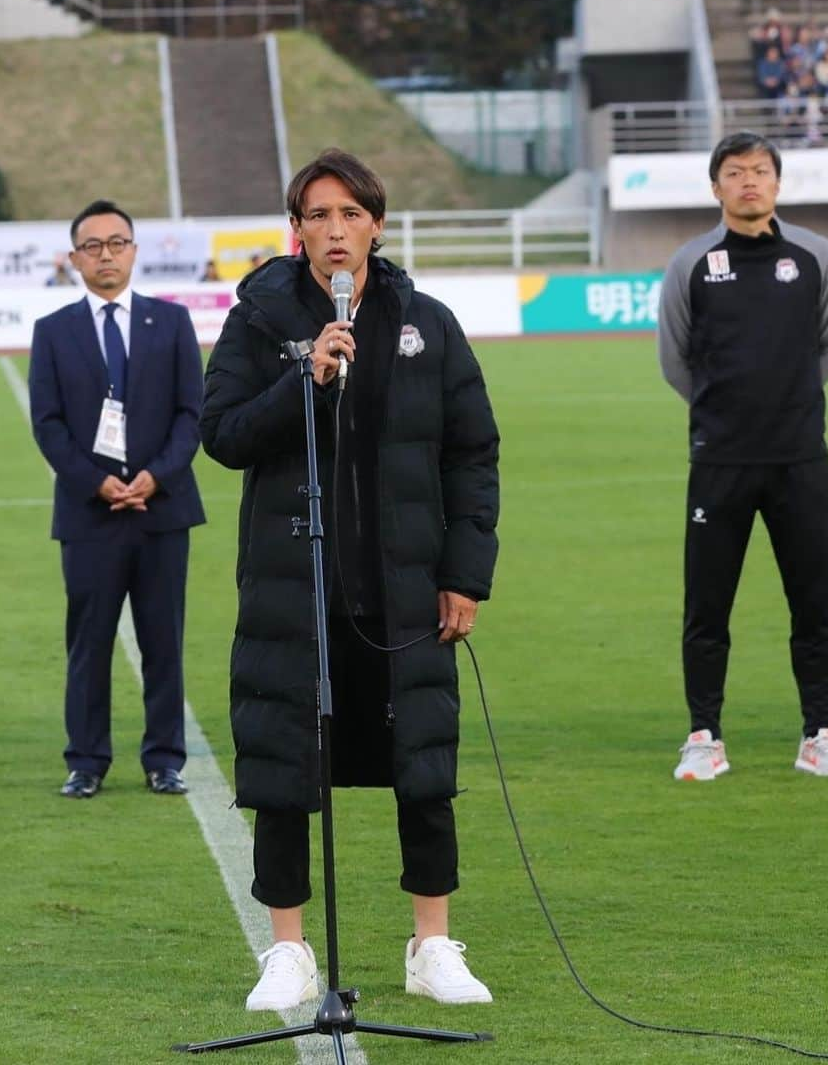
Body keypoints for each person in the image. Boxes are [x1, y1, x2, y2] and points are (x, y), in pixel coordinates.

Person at [201, 149, 500, 1010]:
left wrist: (464, 575)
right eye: (318, 216)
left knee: (424, 765)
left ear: (376, 222)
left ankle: (433, 942)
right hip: (296, 584)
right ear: (295, 231)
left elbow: (472, 454)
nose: (335, 230)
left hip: (406, 586)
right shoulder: (259, 320)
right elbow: (221, 435)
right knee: (284, 762)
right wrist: (306, 376)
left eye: (350, 214)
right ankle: (288, 951)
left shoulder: (428, 324)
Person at [658, 132, 828, 782]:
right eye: (735, 172)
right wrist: (727, 413)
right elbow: (675, 359)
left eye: (761, 171)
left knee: (814, 603)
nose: (750, 181)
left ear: (777, 183)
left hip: (799, 457)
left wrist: (782, 405)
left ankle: (818, 734)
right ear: (715, 188)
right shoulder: (691, 263)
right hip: (719, 461)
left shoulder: (814, 256)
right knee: (707, 607)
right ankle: (703, 735)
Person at [28, 199, 205, 798]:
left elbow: (192, 414)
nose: (106, 254)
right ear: (75, 258)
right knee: (89, 644)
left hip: (162, 509)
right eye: (93, 246)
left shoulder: (172, 323)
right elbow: (47, 424)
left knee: (163, 640)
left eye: (117, 243)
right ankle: (86, 761)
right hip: (90, 514)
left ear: (134, 250)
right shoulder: (53, 332)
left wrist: (155, 476)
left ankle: (164, 758)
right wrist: (95, 482)